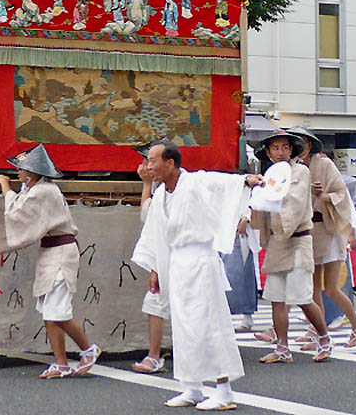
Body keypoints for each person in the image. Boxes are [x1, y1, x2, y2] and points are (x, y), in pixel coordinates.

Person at [132, 141, 262, 410]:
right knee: (183, 327)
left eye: (153, 160)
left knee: (210, 325)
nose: (148, 166)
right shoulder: (162, 195)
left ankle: (224, 390)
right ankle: (191, 386)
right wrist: (156, 268)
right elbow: (156, 233)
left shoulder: (195, 182)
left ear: (171, 163)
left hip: (201, 261)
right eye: (148, 161)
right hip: (175, 262)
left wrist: (246, 181)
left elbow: (220, 183)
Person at [0, 143, 101, 379]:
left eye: (21, 169)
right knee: (49, 309)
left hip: (60, 252)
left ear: (32, 171)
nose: (18, 172)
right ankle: (61, 362)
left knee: (58, 310)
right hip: (52, 251)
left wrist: (5, 186)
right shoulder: (37, 190)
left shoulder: (44, 191)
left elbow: (17, 211)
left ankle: (88, 349)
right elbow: (18, 206)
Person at [252, 130, 332, 364]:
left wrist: (271, 204)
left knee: (302, 296)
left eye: (284, 147)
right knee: (276, 298)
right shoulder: (268, 175)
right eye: (275, 148)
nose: (280, 152)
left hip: (298, 239)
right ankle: (282, 347)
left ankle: (325, 337)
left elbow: (295, 203)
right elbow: (261, 208)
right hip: (278, 241)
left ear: (291, 150)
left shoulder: (301, 171)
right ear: (268, 152)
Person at [292, 127, 356, 349]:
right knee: (313, 289)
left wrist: (322, 195)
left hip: (329, 229)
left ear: (310, 144)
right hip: (309, 233)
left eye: (301, 142)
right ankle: (318, 334)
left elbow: (342, 195)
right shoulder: (293, 168)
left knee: (331, 288)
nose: (298, 146)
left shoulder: (323, 165)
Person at [131, 140, 170, 374]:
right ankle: (154, 356)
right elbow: (150, 217)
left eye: (151, 161)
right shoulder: (160, 188)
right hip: (166, 257)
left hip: (185, 258)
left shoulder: (181, 185)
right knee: (155, 304)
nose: (147, 166)